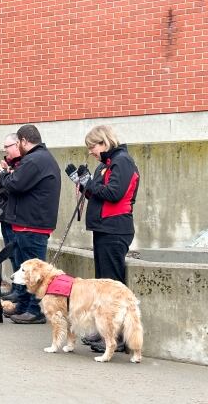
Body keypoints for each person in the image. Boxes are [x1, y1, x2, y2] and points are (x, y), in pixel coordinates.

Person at [69, 125, 140, 352]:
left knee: (111, 285)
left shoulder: (122, 162)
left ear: (104, 142)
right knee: (103, 283)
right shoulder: (106, 164)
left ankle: (116, 337)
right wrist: (82, 184)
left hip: (115, 229)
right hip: (104, 228)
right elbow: (97, 194)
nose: (90, 151)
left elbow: (114, 193)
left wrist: (89, 183)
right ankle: (106, 333)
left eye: (92, 146)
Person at [0, 124, 61, 324]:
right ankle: (23, 305)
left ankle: (35, 310)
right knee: (24, 269)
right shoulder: (38, 158)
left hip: (33, 224)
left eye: (17, 143)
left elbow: (16, 184)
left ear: (23, 141)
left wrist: (2, 176)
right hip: (28, 223)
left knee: (33, 272)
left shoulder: (35, 160)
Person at [0, 133, 22, 301]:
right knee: (12, 254)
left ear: (17, 145)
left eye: (7, 147)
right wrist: (0, 177)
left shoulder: (22, 164)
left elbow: (15, 187)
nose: (5, 151)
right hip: (4, 213)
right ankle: (16, 288)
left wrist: (5, 176)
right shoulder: (11, 164)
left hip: (14, 215)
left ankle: (19, 291)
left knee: (16, 253)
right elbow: (4, 185)